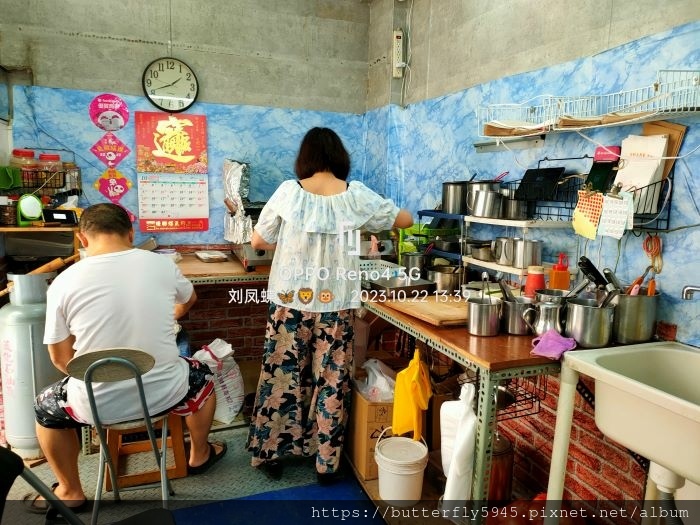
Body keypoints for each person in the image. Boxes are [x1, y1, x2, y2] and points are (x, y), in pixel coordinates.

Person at [26, 203, 227, 513]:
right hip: (165, 395)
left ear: (82, 239)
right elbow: (190, 299)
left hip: (93, 404)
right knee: (202, 373)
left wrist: (93, 378)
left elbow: (59, 356)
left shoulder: (64, 282)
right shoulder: (161, 265)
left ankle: (70, 490)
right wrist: (169, 315)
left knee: (45, 407)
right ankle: (199, 454)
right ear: (131, 233)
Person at [245, 127, 413, 483]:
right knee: (332, 381)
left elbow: (259, 240)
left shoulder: (288, 193)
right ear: (340, 158)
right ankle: (325, 463)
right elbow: (406, 219)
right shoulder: (356, 197)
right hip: (336, 306)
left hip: (289, 304)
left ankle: (273, 453)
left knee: (283, 379)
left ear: (305, 158)